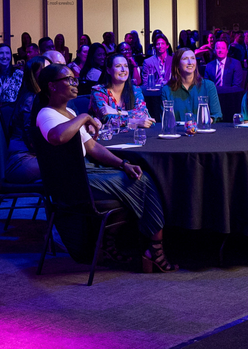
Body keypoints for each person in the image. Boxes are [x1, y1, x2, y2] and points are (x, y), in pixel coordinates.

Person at [33, 62, 172, 272]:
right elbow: (57, 136)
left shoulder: (69, 112)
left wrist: (123, 164)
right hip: (72, 181)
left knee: (137, 176)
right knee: (142, 182)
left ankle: (111, 246)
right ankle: (155, 250)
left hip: (86, 172)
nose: (74, 83)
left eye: (74, 79)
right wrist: (84, 117)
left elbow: (92, 147)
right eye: (68, 80)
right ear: (52, 86)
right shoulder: (46, 113)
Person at [91, 53, 152, 137]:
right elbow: (108, 119)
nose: (123, 69)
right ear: (108, 70)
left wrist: (117, 112)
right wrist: (136, 122)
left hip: (131, 136)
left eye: (126, 66)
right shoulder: (98, 92)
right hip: (107, 139)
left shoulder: (135, 90)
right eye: (118, 66)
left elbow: (143, 114)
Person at [159, 46, 222, 124]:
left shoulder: (208, 86)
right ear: (177, 64)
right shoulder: (167, 90)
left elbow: (217, 115)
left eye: (193, 58)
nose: (190, 62)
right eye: (185, 59)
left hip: (202, 132)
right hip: (178, 133)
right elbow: (165, 120)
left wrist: (207, 120)